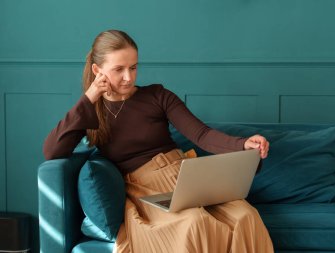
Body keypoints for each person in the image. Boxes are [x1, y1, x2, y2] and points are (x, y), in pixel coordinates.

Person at [43, 29, 274, 253]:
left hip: (186, 177)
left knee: (246, 216)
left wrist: (243, 145)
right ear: (97, 70)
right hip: (144, 188)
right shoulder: (91, 110)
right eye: (119, 69)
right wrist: (90, 97)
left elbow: (201, 134)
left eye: (133, 68)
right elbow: (52, 151)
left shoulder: (157, 95)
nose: (128, 77)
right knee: (194, 223)